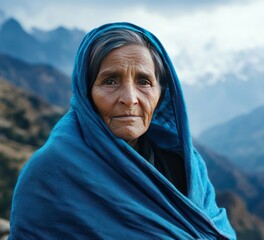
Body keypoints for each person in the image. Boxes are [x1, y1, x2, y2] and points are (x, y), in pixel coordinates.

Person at [9, 22, 236, 239]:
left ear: (161, 94)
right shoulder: (50, 173)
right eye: (110, 81)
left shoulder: (185, 166)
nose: (129, 99)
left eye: (144, 82)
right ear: (86, 93)